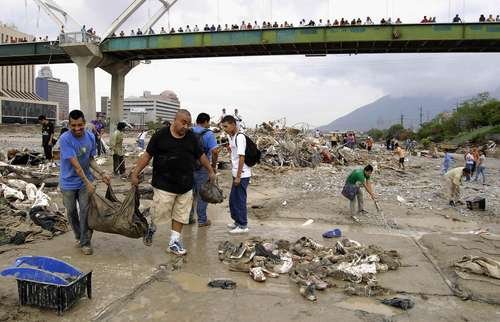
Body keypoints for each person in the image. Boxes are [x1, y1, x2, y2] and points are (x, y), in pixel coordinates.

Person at [130, 110, 215, 256]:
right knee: (160, 212)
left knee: (181, 215)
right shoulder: (160, 136)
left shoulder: (192, 138)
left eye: (188, 124)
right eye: (183, 123)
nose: (186, 126)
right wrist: (135, 173)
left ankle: (174, 242)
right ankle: (152, 227)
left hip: (186, 185)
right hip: (164, 184)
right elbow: (147, 156)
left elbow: (201, 156)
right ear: (174, 120)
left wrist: (211, 170)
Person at [59, 110, 111, 255]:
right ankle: (78, 235)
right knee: (71, 211)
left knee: (85, 212)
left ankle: (85, 241)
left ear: (84, 123)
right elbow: (76, 165)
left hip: (84, 182)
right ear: (69, 125)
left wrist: (102, 173)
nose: (77, 129)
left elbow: (90, 160)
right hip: (68, 182)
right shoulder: (65, 139)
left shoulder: (90, 137)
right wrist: (88, 182)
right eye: (73, 125)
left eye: (80, 125)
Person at [220, 115, 251, 234]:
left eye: (226, 126)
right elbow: (235, 153)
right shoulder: (231, 136)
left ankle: (243, 225)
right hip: (236, 172)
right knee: (233, 199)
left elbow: (242, 157)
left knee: (240, 200)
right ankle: (237, 221)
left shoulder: (240, 137)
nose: (224, 129)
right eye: (223, 127)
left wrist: (238, 176)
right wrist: (229, 149)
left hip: (242, 174)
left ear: (233, 124)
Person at [188, 113, 219, 227]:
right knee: (202, 194)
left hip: (188, 167)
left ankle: (188, 218)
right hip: (203, 167)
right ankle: (202, 220)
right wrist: (213, 166)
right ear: (206, 121)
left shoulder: (189, 131)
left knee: (189, 194)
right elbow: (215, 151)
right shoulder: (209, 134)